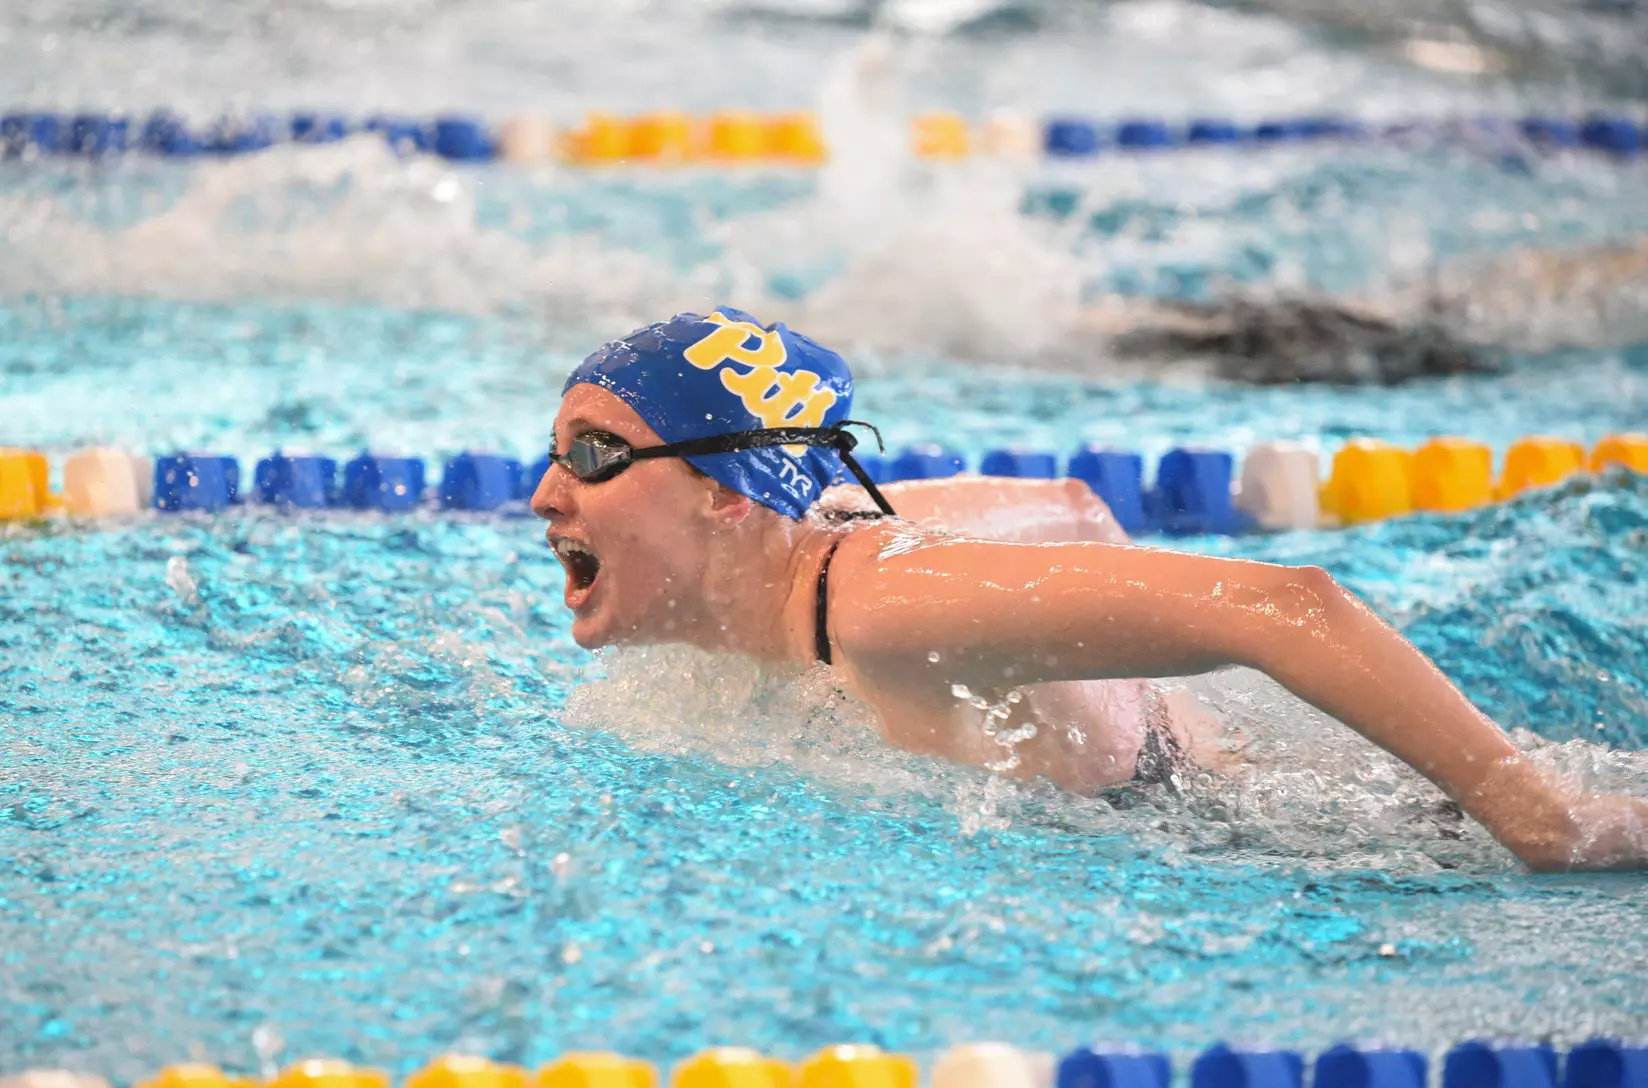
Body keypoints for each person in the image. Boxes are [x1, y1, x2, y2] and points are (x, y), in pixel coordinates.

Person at [531, 307, 1648, 872]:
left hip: (1302, 829)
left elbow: (1292, 603)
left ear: (729, 494)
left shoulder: (881, 608)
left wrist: (1537, 818)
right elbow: (1067, 503)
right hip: (1222, 767)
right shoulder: (822, 526)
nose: (543, 495)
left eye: (591, 456)